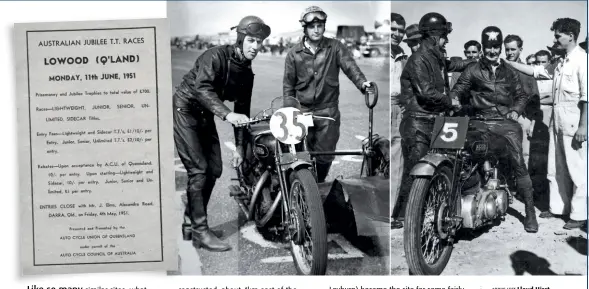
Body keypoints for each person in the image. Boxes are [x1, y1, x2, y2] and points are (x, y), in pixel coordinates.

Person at [174, 16, 271, 251]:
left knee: (214, 169)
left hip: (206, 114)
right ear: (239, 39)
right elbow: (201, 88)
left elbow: (242, 111)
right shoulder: (215, 56)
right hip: (186, 109)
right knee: (199, 171)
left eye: (259, 42)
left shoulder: (246, 72)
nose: (255, 47)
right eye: (250, 40)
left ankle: (191, 223)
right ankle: (200, 230)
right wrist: (227, 115)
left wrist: (239, 147)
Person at [451, 26, 538, 233]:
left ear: (500, 47)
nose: (492, 51)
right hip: (478, 121)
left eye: (496, 47)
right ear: (483, 47)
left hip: (505, 123)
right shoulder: (472, 69)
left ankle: (530, 212)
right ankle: (458, 204)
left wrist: (516, 110)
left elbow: (522, 95)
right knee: (460, 157)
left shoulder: (510, 71)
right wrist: (454, 99)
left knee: (519, 163)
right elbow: (459, 88)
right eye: (488, 47)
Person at [507, 18, 587, 230]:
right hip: (558, 119)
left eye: (559, 35)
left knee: (578, 169)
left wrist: (584, 126)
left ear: (571, 35)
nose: (555, 39)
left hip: (574, 118)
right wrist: (509, 63)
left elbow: (587, 97)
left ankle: (579, 214)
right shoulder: (561, 62)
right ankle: (558, 208)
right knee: (555, 166)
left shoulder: (582, 60)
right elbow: (537, 72)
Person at [283, 6, 373, 183]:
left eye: (320, 25)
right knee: (298, 156)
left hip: (328, 112)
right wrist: (289, 112)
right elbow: (288, 86)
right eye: (312, 26)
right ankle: (299, 189)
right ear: (305, 28)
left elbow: (350, 67)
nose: (316, 30)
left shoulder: (335, 47)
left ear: (324, 26)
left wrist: (363, 83)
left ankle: (318, 184)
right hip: (301, 111)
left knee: (326, 155)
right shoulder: (294, 54)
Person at [393, 12, 459, 229]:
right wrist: (452, 101)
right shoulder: (419, 59)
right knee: (415, 173)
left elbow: (453, 65)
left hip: (434, 121)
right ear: (433, 36)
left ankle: (421, 214)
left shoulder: (434, 57)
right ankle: (403, 217)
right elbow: (426, 93)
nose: (446, 40)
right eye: (444, 36)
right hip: (419, 124)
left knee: (439, 169)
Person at [504, 34, 541, 167]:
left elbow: (534, 98)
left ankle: (521, 185)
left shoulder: (526, 71)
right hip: (502, 117)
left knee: (523, 153)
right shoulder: (499, 69)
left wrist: (530, 122)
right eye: (507, 49)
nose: (509, 53)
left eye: (513, 49)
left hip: (522, 118)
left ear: (521, 49)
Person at [389, 12, 407, 227]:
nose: (397, 34)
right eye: (392, 30)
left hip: (398, 107)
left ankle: (391, 212)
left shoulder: (401, 54)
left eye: (400, 31)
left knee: (397, 160)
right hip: (381, 104)